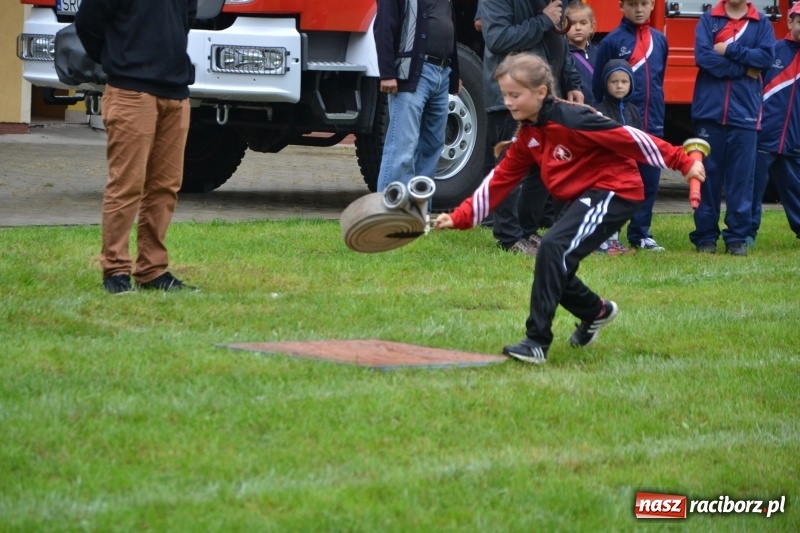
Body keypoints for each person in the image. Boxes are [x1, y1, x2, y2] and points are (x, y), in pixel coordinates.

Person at [434, 53, 705, 363]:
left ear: (540, 92)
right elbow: (499, 181)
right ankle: (596, 311)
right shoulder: (529, 136)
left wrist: (683, 162)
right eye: (505, 95)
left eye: (515, 95)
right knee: (555, 264)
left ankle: (537, 341)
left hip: (615, 190)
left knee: (551, 248)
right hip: (587, 195)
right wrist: (460, 216)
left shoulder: (572, 119)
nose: (508, 102)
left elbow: (629, 138)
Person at [75, 0, 198, 294]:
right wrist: (120, 59)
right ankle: (115, 270)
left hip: (176, 93)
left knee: (165, 186)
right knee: (126, 185)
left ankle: (152, 270)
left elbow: (187, 17)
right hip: (131, 92)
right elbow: (87, 24)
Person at [480, 0, 585, 256]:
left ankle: (526, 230)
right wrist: (542, 21)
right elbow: (497, 39)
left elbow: (560, 41)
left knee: (543, 165)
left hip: (544, 95)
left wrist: (572, 82)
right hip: (510, 96)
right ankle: (508, 237)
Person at [689, 0, 775, 255]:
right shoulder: (708, 20)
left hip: (745, 114)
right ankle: (705, 237)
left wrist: (728, 49)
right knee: (707, 178)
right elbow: (704, 58)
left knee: (741, 180)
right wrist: (746, 68)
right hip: (709, 113)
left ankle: (736, 237)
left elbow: (767, 58)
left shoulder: (762, 23)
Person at [592, 0, 668, 251]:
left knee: (648, 181)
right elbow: (598, 86)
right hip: (621, 129)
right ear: (621, 6)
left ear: (652, 6)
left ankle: (641, 233)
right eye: (632, 4)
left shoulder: (660, 40)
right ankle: (607, 233)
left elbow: (658, 79)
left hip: (652, 123)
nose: (639, 9)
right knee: (615, 182)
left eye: (644, 4)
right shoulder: (611, 42)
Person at [374, 0, 461, 194]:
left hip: (442, 71)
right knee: (402, 150)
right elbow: (383, 26)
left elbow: (449, 28)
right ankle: (390, 218)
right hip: (413, 74)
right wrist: (387, 73)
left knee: (432, 151)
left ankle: (417, 217)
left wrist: (454, 75)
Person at [752, 3, 800, 242]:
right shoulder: (773, 50)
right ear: (789, 23)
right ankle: (745, 233)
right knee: (753, 187)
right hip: (764, 134)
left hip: (795, 138)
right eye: (799, 21)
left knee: (796, 188)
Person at [594, 59, 641, 255]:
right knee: (605, 204)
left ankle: (613, 240)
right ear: (605, 83)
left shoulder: (633, 111)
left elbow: (639, 138)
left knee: (620, 204)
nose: (619, 85)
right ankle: (601, 241)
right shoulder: (599, 111)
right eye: (614, 81)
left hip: (626, 168)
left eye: (624, 81)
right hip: (605, 170)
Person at [566, 0, 598, 107]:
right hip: (576, 111)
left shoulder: (599, 52)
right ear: (564, 26)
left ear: (592, 26)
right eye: (572, 23)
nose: (578, 27)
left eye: (583, 23)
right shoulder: (563, 55)